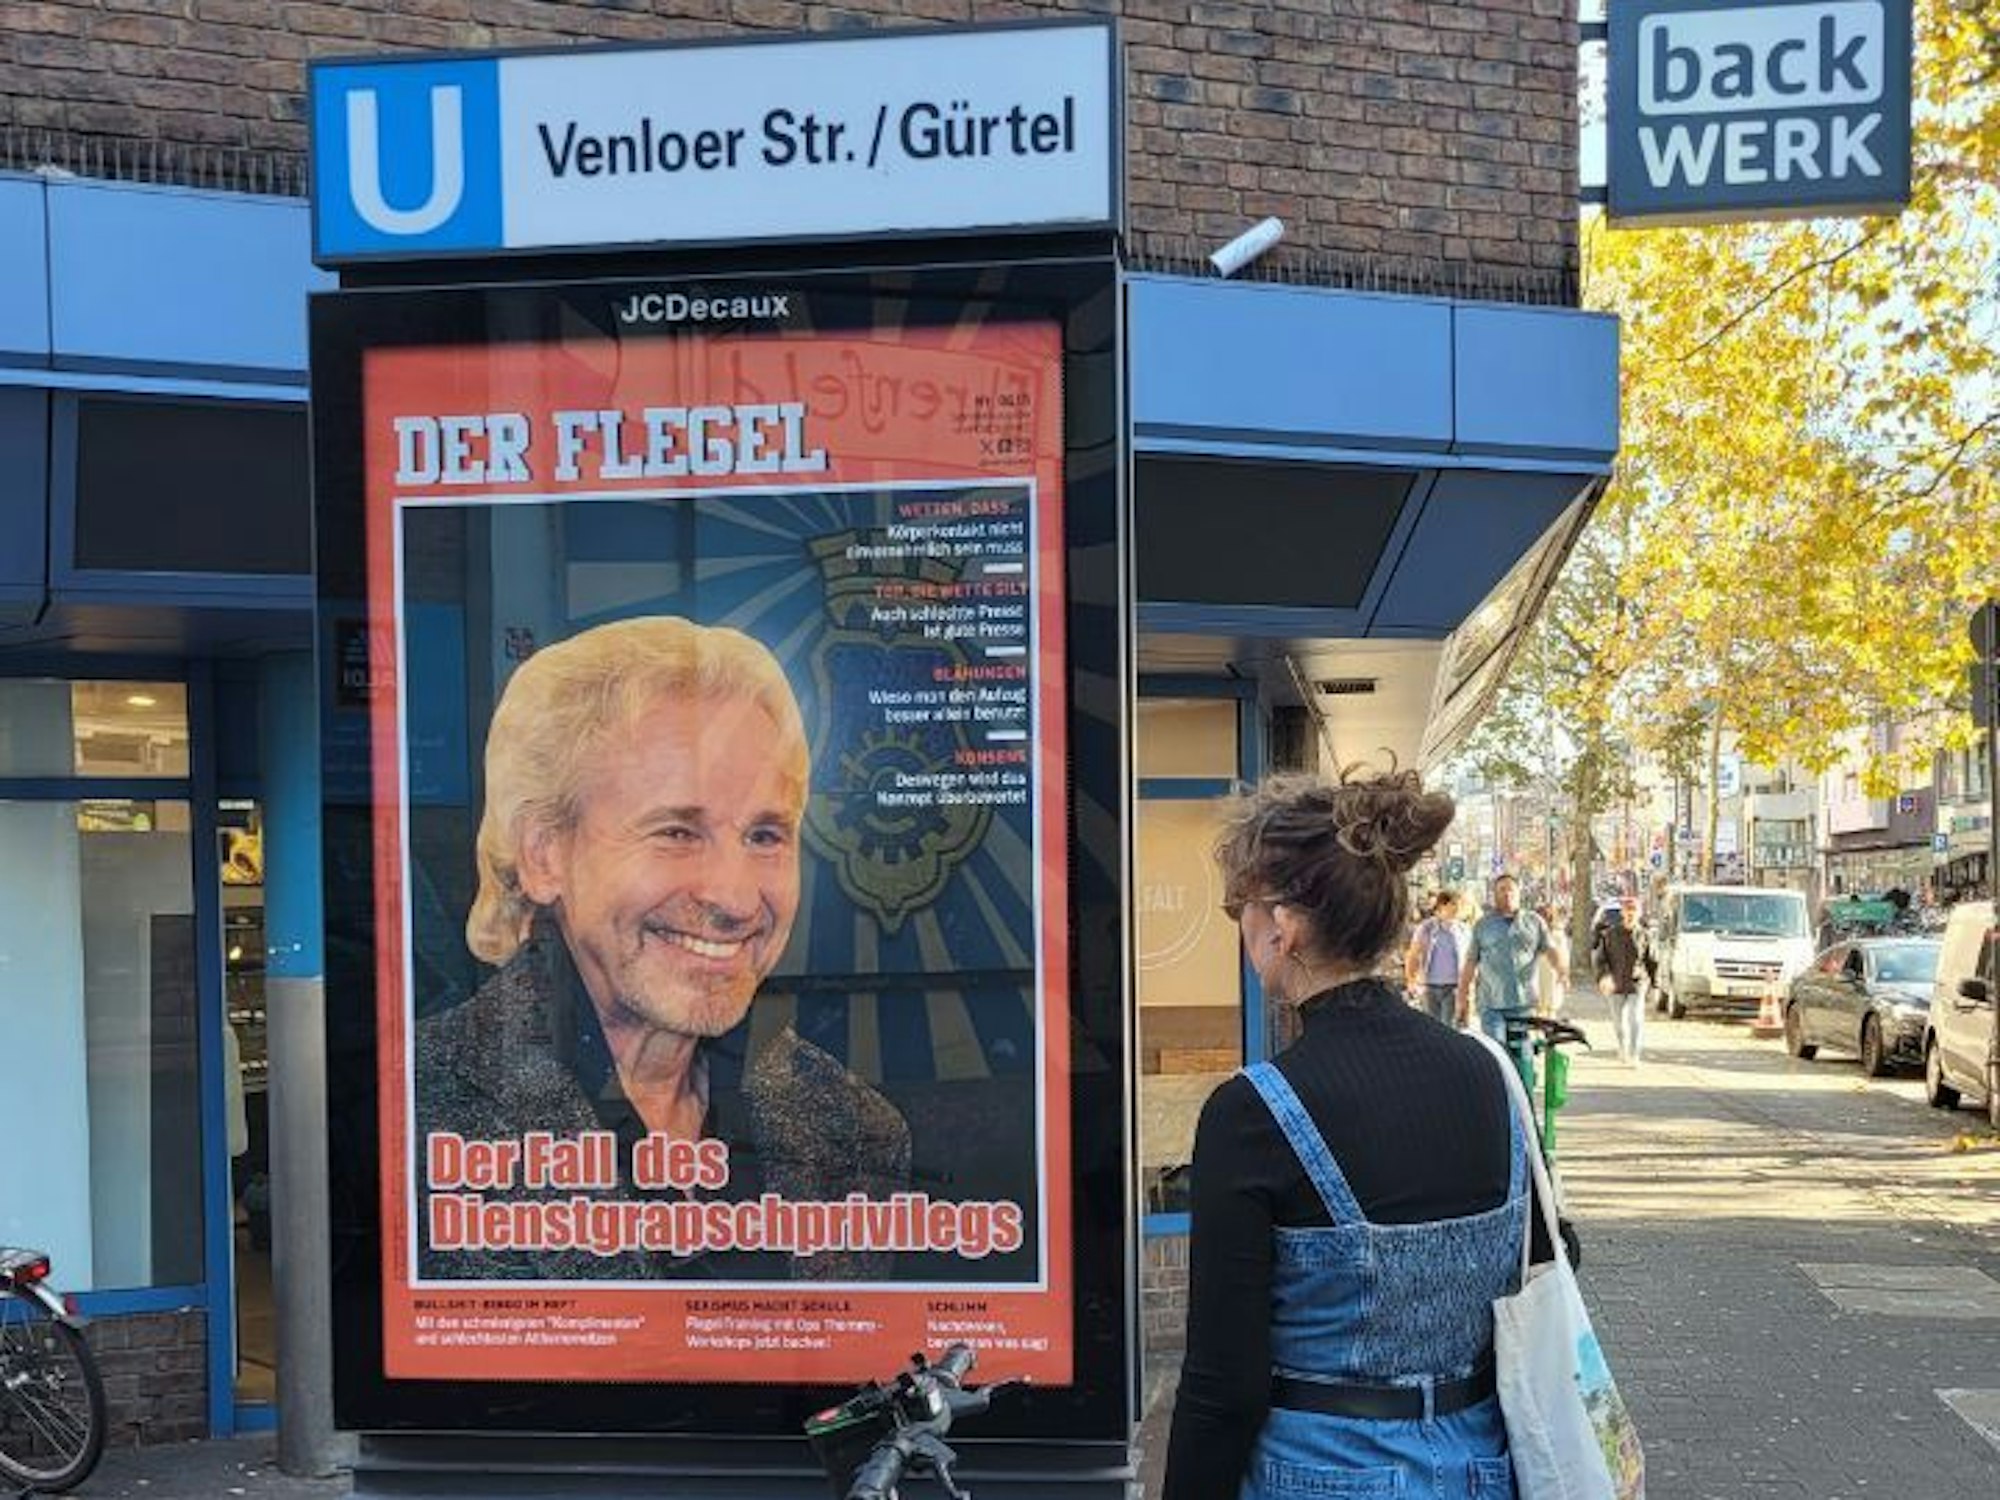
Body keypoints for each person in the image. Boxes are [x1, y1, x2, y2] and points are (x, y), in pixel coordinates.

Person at [416, 616, 910, 1281]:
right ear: (543, 854)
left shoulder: (852, 1126)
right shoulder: (414, 1116)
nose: (736, 899)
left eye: (765, 836)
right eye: (677, 832)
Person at [1163, 769, 1550, 1500]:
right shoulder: (1491, 1075)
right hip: (1481, 1469)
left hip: (1318, 1473)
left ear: (1283, 926)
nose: (1240, 927)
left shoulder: (1253, 1113)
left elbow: (1224, 1385)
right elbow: (1545, 1262)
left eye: (1238, 907)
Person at [1457, 872, 1567, 1048]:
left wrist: (1561, 971)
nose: (1507, 893)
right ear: (1494, 895)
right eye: (1502, 890)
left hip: (1523, 1003)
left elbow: (1551, 950)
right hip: (1491, 1003)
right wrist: (1462, 996)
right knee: (1497, 1050)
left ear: (1519, 892)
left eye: (1511, 889)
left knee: (1522, 1052)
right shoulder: (1483, 925)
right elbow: (1470, 962)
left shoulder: (1534, 922)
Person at [1403, 888, 1469, 1026]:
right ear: (1441, 906)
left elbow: (1470, 961)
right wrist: (1411, 981)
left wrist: (1468, 989)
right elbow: (1413, 955)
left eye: (1459, 904)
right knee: (1431, 1027)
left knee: (1448, 1028)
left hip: (1453, 988)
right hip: (1429, 987)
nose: (1457, 908)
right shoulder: (1426, 928)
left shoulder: (1464, 931)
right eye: (1453, 904)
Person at [1594, 894, 1646, 1064]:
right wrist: (1604, 976)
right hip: (1615, 983)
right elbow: (1601, 959)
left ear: (1639, 913)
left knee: (1635, 1019)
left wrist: (1653, 982)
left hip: (1637, 983)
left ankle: (1634, 1053)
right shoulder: (1610, 934)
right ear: (1622, 912)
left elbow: (1651, 960)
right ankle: (1622, 1046)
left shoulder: (1644, 935)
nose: (1630, 913)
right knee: (1619, 1022)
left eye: (1634, 910)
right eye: (1627, 910)